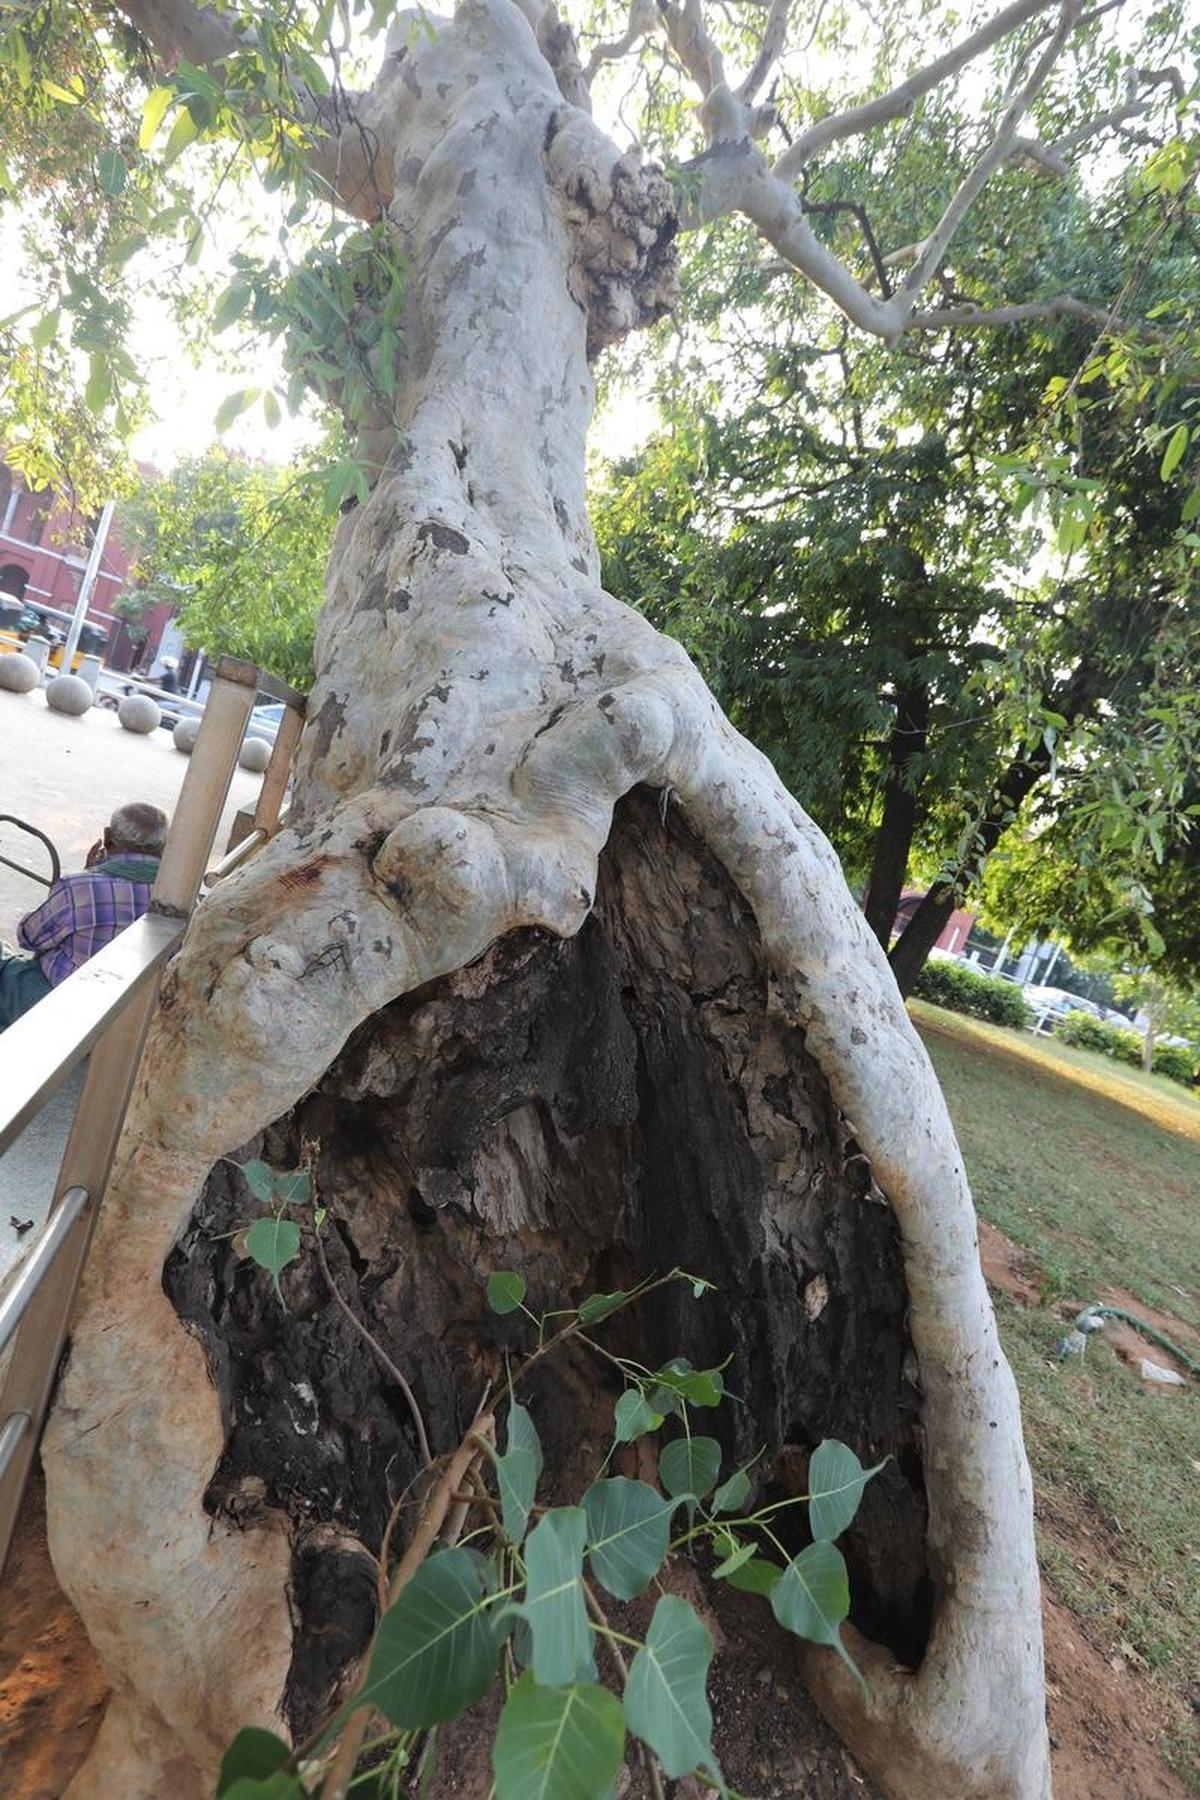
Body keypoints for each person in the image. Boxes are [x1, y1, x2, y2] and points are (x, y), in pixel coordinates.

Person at [0, 802, 168, 1029]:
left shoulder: (79, 887)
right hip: (130, 1020)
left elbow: (28, 937)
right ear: (164, 847)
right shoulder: (181, 897)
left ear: (107, 838)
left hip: (63, 1009)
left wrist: (87, 875)